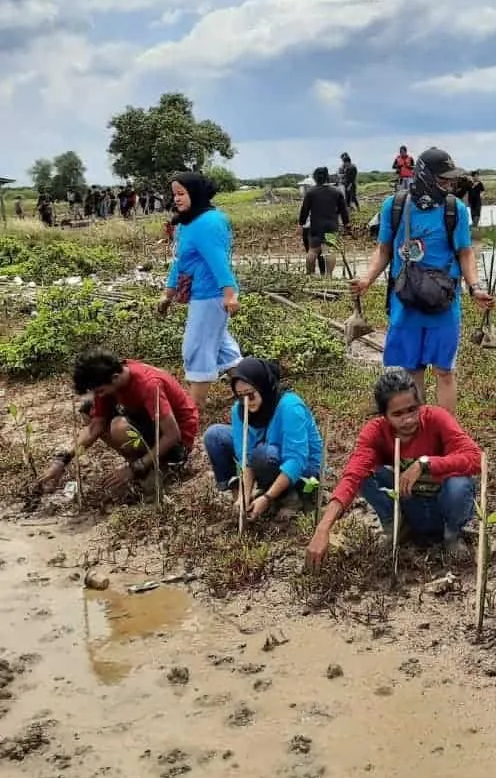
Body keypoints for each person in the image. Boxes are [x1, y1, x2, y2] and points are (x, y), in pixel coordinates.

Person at [351, 147, 494, 415]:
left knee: (444, 371)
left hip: (443, 301)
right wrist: (366, 279)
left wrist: (475, 287)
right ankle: (418, 429)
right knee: (412, 369)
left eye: (451, 179)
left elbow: (465, 253)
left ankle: (446, 432)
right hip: (405, 299)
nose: (449, 184)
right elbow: (383, 251)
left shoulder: (456, 210)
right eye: (443, 179)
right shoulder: (393, 206)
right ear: (425, 176)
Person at [305, 367, 481, 568]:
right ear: (384, 415)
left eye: (412, 410)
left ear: (420, 405)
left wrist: (425, 463)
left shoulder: (436, 419)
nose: (407, 419)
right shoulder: (376, 432)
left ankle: (452, 535)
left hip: (443, 504)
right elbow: (352, 476)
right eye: (397, 414)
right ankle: (396, 525)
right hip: (410, 503)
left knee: (460, 483)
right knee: (365, 474)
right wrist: (323, 528)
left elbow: (475, 458)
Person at [38, 351, 199, 497]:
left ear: (115, 377)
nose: (98, 395)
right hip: (148, 423)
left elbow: (173, 435)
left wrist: (135, 468)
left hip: (176, 441)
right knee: (88, 412)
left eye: (100, 391)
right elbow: (96, 427)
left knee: (118, 427)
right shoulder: (109, 382)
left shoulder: (149, 385)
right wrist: (62, 461)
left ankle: (156, 467)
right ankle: (140, 465)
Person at [157, 172, 241, 407]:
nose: (177, 199)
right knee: (223, 349)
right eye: (174, 194)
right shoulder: (186, 223)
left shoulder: (209, 223)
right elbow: (181, 261)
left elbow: (218, 261)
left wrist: (230, 294)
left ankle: (194, 410)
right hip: (200, 295)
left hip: (212, 296)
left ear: (195, 193)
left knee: (196, 347)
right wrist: (168, 293)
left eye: (181, 193)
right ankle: (252, 391)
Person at [204, 358, 322, 521]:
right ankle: (243, 498)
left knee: (263, 453)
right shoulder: (240, 410)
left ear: (262, 387)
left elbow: (296, 460)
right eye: (240, 396)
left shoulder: (290, 406)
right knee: (215, 435)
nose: (246, 402)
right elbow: (246, 457)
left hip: (304, 468)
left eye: (251, 395)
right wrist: (244, 496)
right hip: (266, 458)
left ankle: (288, 497)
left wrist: (267, 498)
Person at [299, 166, 350, 275]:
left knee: (313, 250)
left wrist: (301, 224)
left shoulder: (311, 193)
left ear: (315, 178)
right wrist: (346, 224)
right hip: (331, 226)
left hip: (316, 227)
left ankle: (310, 274)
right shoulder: (336, 192)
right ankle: (329, 276)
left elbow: (304, 210)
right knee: (329, 250)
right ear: (327, 178)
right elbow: (344, 210)